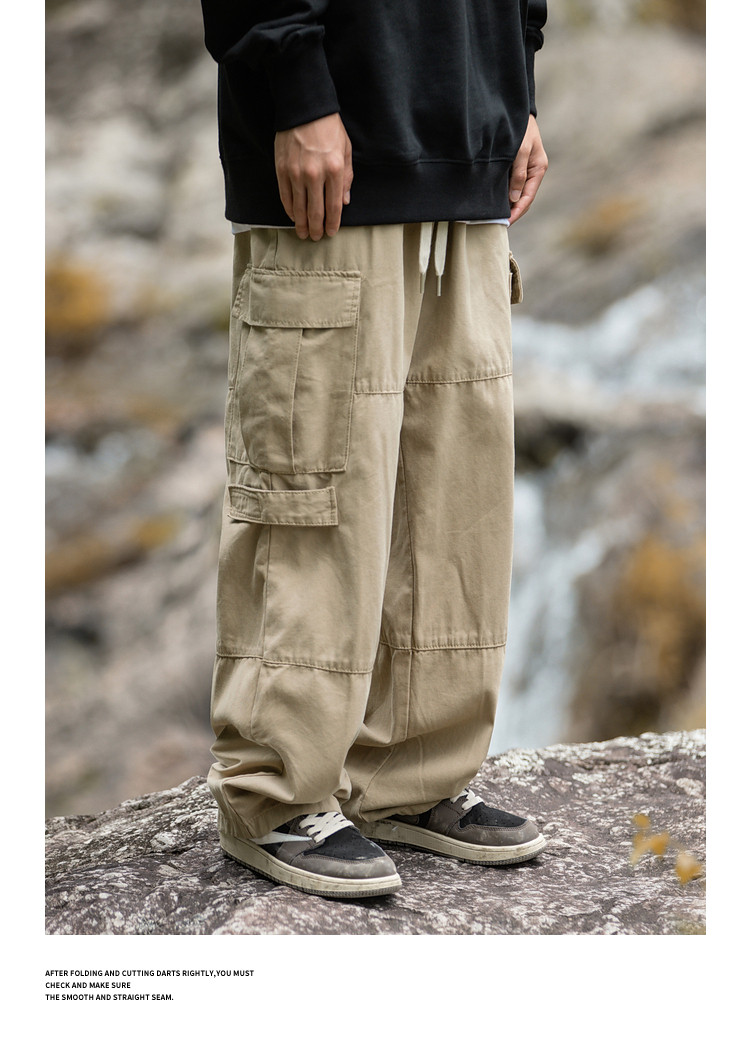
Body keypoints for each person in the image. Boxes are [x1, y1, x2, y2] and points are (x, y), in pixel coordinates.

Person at [199, 0, 549, 898]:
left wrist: (515, 87)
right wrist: (295, 88)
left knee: (453, 493)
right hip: (333, 149)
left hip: (472, 148)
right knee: (314, 484)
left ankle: (412, 773)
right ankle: (275, 793)